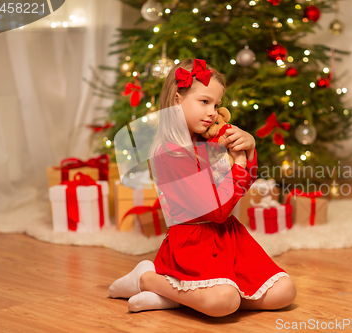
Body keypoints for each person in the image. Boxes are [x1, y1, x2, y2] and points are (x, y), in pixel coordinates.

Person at [108, 58, 296, 317]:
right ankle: (146, 279)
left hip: (227, 238)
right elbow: (217, 210)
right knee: (224, 303)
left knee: (284, 292)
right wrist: (239, 162)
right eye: (204, 102)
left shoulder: (209, 142)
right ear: (177, 100)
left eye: (217, 105)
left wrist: (248, 148)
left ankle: (180, 297)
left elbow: (237, 190)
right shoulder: (168, 154)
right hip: (192, 244)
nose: (213, 112)